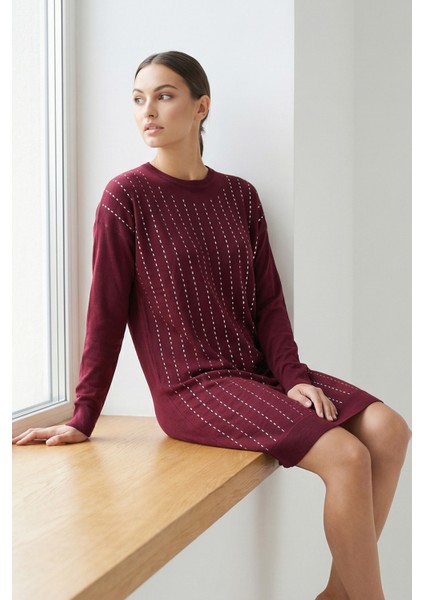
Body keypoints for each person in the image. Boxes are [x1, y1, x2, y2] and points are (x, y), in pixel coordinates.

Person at [13, 50, 411, 599]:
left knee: (389, 430)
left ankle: (336, 595)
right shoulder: (126, 198)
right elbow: (104, 316)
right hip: (191, 387)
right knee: (345, 457)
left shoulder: (240, 196)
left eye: (164, 95)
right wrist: (83, 416)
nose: (147, 111)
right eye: (138, 99)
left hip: (255, 371)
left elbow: (269, 305)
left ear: (201, 107)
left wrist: (294, 377)